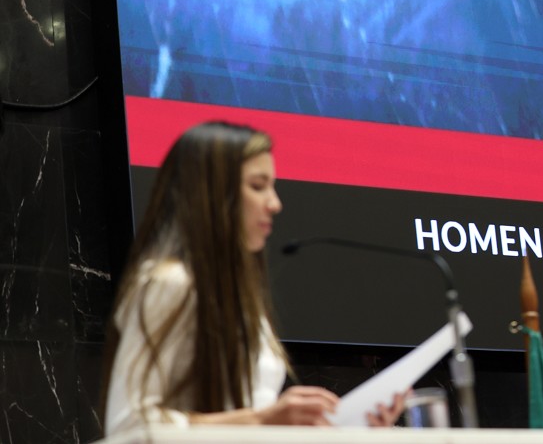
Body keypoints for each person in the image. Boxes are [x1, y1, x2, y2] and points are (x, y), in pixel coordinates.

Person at [102, 121, 404, 432]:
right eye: (258, 187)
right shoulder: (172, 283)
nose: (275, 204)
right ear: (211, 193)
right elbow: (129, 425)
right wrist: (262, 419)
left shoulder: (241, 298)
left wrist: (355, 427)